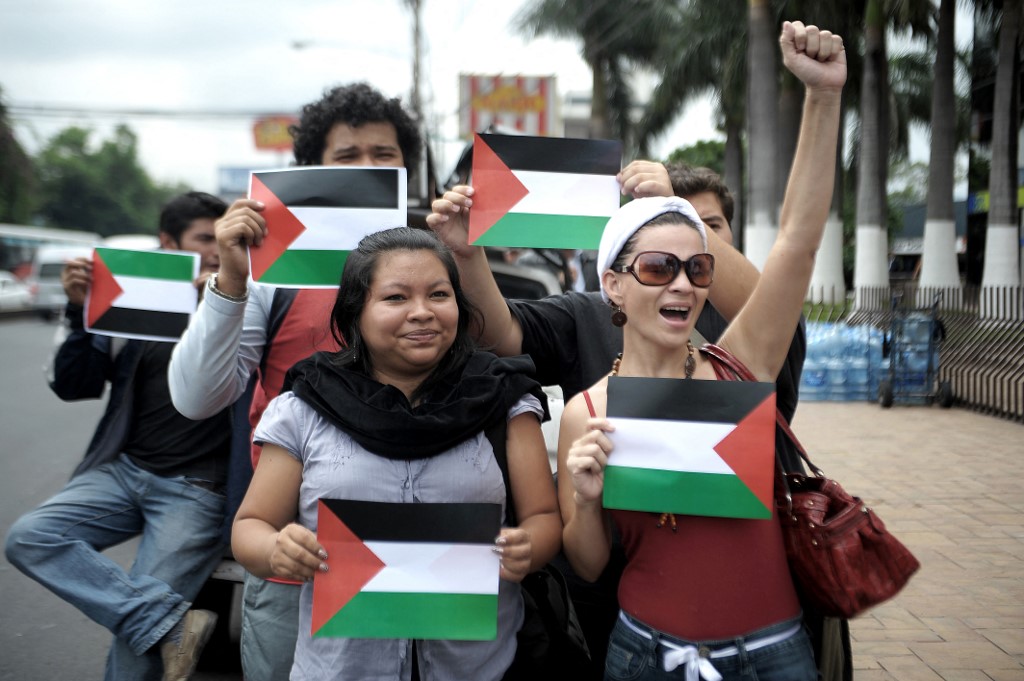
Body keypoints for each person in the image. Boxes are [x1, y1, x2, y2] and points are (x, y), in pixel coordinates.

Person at [559, 21, 844, 681]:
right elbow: (590, 562)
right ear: (614, 285)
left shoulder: (740, 366)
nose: (683, 283)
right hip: (643, 655)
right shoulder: (589, 411)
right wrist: (585, 493)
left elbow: (799, 240)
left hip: (774, 655)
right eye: (659, 267)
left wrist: (823, 98)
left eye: (698, 268)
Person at [167, 82, 425, 680]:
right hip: (295, 555)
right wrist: (232, 277)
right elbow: (198, 396)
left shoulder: (439, 262)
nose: (367, 170)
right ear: (312, 170)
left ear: (408, 166)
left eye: (383, 155)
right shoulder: (270, 277)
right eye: (347, 156)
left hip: (418, 545)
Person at [231, 226, 562, 680]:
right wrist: (275, 550)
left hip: (479, 668)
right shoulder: (305, 406)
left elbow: (544, 518)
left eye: (439, 295)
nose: (422, 313)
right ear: (356, 312)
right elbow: (250, 528)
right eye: (396, 298)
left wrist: (530, 548)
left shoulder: (503, 400)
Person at [4, 191, 232, 681]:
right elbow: (73, 384)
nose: (216, 249)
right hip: (125, 472)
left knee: (135, 642)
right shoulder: (134, 303)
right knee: (28, 538)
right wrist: (76, 310)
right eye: (204, 239)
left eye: (223, 239)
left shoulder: (242, 302)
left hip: (196, 490)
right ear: (168, 243)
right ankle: (166, 623)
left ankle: (154, 624)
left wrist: (220, 302)